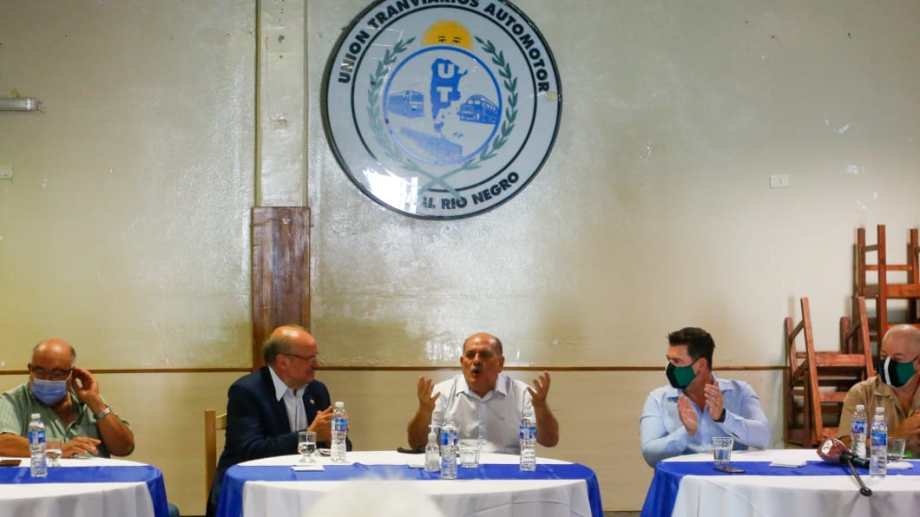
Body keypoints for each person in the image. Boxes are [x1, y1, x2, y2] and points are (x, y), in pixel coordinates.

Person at [207, 325, 349, 517]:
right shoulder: (247, 391)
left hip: (305, 481)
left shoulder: (317, 390)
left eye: (315, 357)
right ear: (283, 362)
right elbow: (250, 450)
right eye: (309, 359)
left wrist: (334, 437)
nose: (317, 364)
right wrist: (309, 435)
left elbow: (343, 447)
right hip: (250, 486)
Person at [407, 332, 559, 453]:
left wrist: (541, 407)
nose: (476, 361)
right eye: (470, 355)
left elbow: (549, 441)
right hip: (457, 470)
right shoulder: (442, 392)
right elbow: (416, 443)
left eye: (485, 355)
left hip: (508, 473)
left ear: (500, 363)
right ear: (462, 362)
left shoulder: (523, 393)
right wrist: (424, 411)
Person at [640, 327, 770, 467]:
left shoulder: (740, 392)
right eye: (669, 360)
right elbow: (649, 454)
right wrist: (686, 433)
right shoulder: (658, 398)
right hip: (682, 478)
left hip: (729, 477)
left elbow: (763, 438)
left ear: (701, 365)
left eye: (677, 361)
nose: (669, 368)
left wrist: (724, 417)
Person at [0, 338, 135, 458]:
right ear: (30, 369)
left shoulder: (89, 399)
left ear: (71, 373)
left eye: (57, 373)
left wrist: (96, 403)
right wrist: (57, 448)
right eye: (39, 371)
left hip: (93, 477)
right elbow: (3, 444)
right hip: (42, 477)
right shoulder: (13, 400)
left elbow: (124, 448)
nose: (47, 379)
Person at [838, 324, 920, 455]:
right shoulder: (862, 393)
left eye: (897, 359)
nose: (887, 364)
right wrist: (897, 436)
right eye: (883, 357)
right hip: (878, 467)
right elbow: (846, 447)